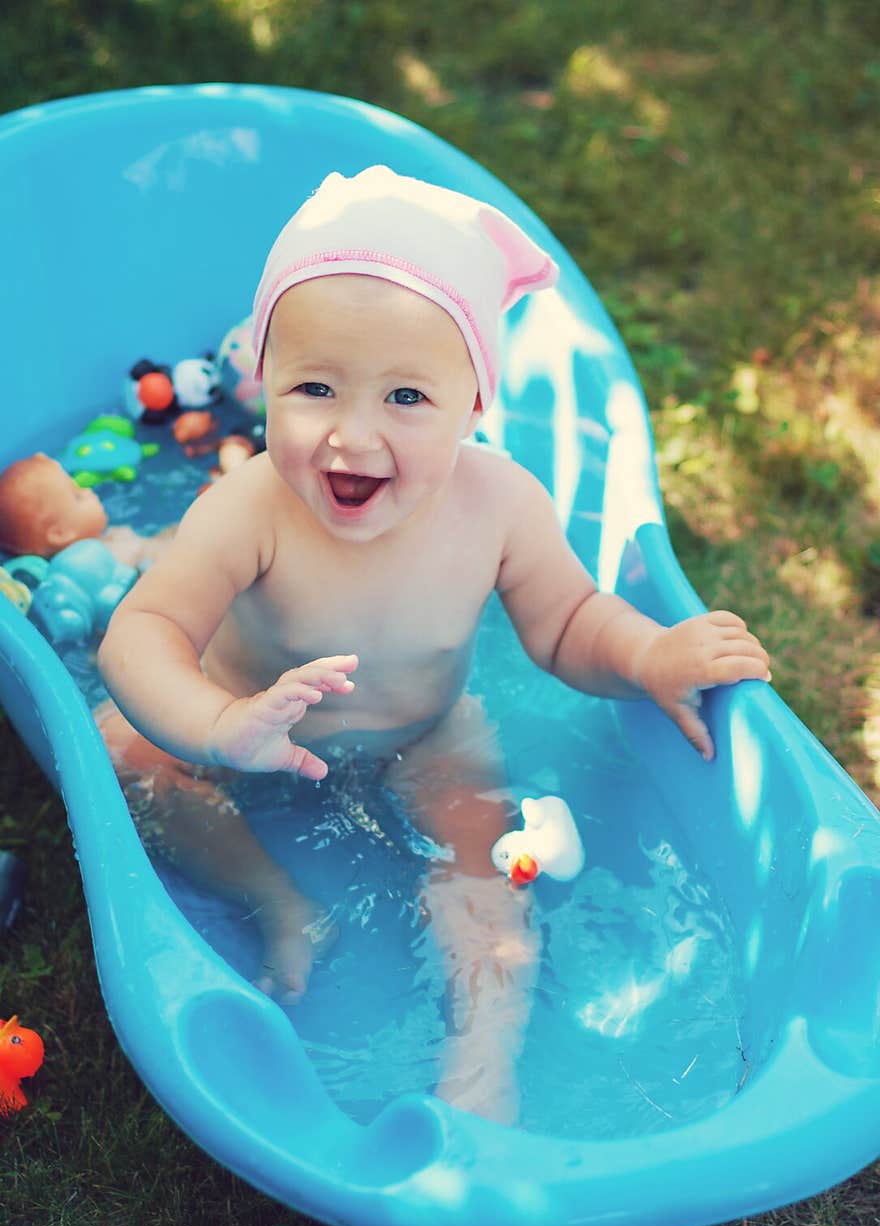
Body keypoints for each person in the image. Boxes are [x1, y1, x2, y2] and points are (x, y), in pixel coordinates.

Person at [96, 165, 771, 1123]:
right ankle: (278, 900)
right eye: (315, 387)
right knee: (128, 748)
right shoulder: (248, 506)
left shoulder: (499, 507)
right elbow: (144, 632)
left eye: (407, 397)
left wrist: (648, 657)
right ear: (264, 384)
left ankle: (482, 1063)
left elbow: (569, 621)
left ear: (474, 408)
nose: (352, 436)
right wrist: (218, 724)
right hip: (242, 716)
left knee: (482, 865)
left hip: (424, 733)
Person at [0, 452, 173, 569]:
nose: (88, 491)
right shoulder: (105, 561)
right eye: (77, 496)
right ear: (60, 533)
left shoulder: (106, 547)